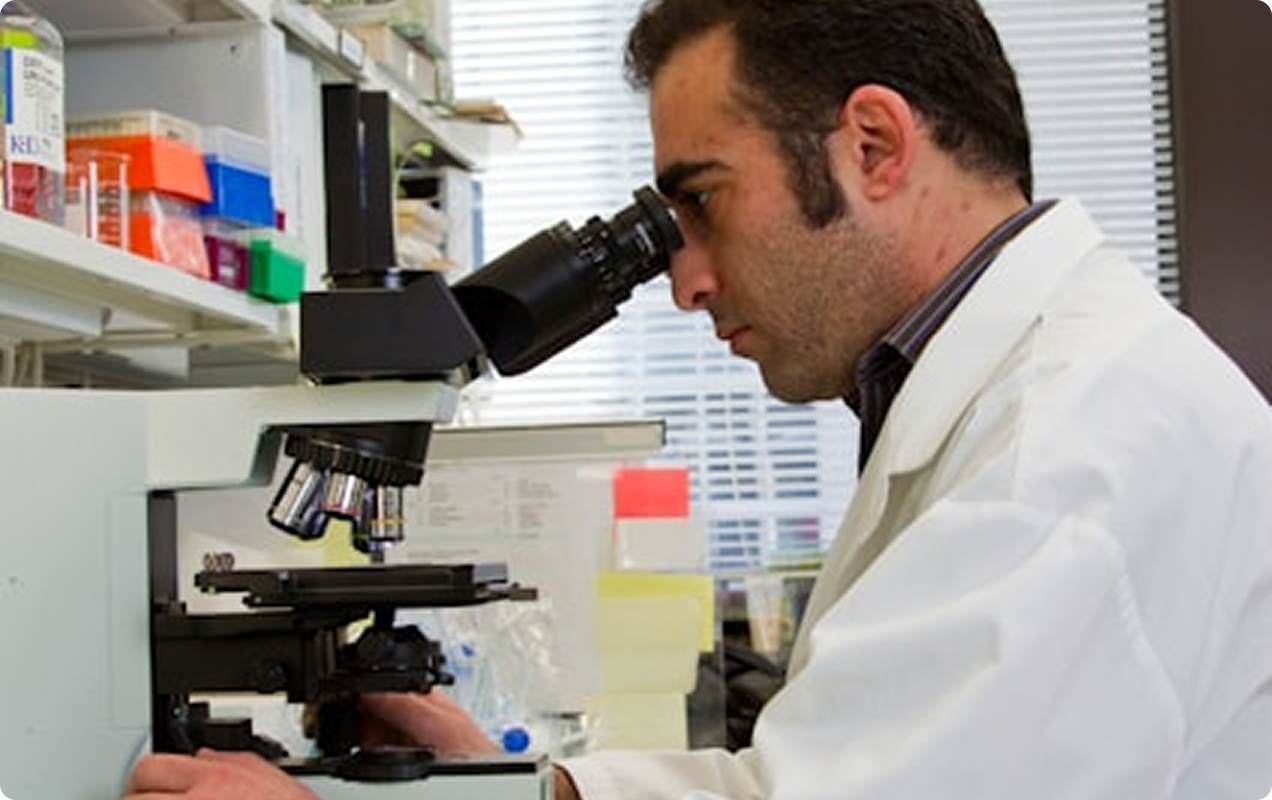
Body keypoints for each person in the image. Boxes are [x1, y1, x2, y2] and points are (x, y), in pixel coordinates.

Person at [121, 0, 1272, 798]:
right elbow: (818, 778)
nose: (683, 280)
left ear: (873, 143)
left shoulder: (1065, 452)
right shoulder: (1004, 388)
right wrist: (531, 779)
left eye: (706, 201)